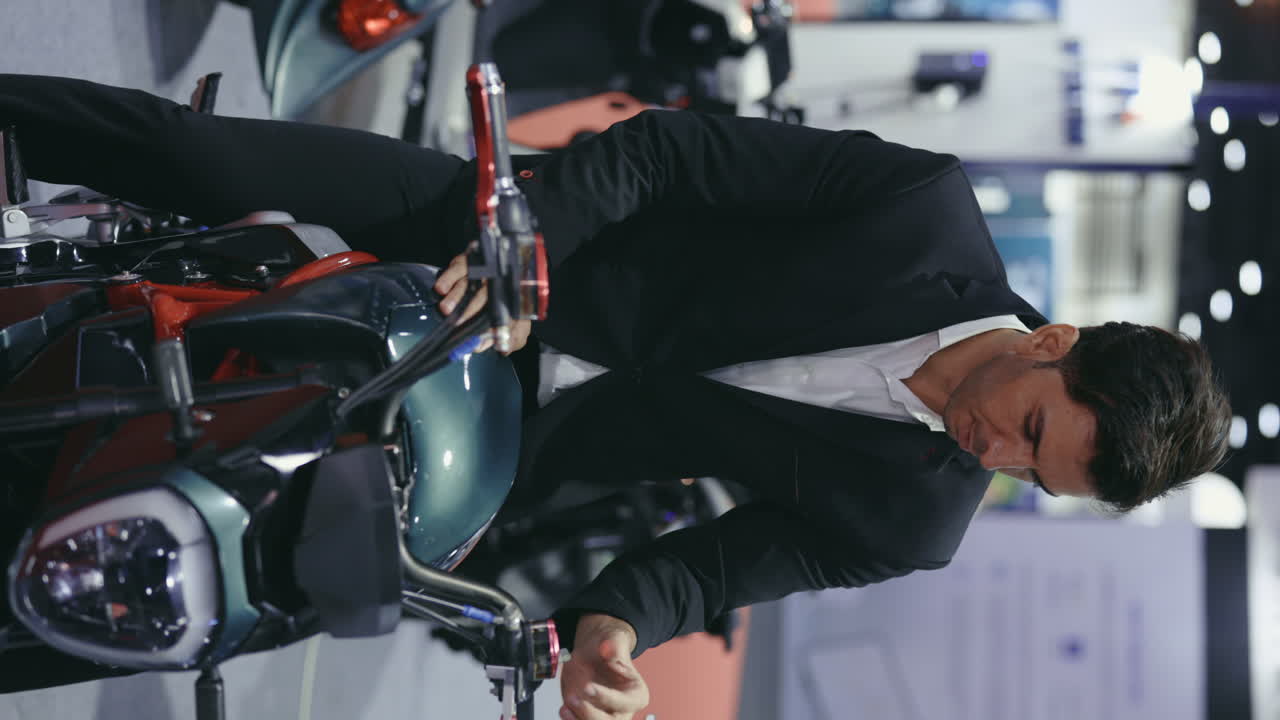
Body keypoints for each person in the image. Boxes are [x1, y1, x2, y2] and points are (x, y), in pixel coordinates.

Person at [0, 75, 1231, 719]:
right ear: (1053, 342)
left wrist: (612, 637)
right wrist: (524, 247)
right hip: (494, 250)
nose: (992, 452)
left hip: (498, 459)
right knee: (192, 154)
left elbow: (702, 573)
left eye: (1026, 472)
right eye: (1028, 427)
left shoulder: (913, 524)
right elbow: (670, 152)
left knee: (256, 602)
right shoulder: (917, 210)